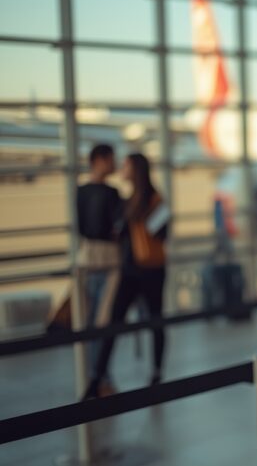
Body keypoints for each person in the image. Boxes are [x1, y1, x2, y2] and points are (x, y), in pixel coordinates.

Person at [84, 153, 169, 399]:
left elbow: (163, 233)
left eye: (127, 165)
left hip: (152, 269)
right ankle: (96, 378)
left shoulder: (153, 199)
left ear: (137, 169)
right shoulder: (126, 200)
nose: (122, 168)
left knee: (155, 320)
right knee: (113, 322)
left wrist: (141, 218)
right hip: (129, 270)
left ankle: (156, 373)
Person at [76, 143, 123, 397]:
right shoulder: (112, 194)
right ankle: (100, 377)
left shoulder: (81, 191)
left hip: (88, 257)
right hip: (109, 259)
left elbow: (82, 226)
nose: (114, 165)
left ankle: (97, 376)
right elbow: (115, 227)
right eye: (112, 159)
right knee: (103, 321)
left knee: (94, 320)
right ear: (101, 160)